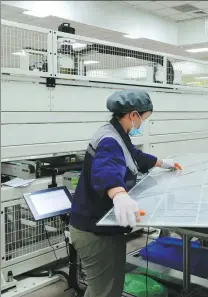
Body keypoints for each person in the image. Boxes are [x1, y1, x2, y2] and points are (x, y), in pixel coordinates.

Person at [69, 89, 182, 297]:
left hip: (100, 226)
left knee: (107, 287)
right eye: (143, 119)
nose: (142, 124)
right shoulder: (109, 140)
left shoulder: (116, 133)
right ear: (133, 115)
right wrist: (119, 194)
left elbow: (135, 155)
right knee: (105, 290)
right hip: (94, 232)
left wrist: (163, 163)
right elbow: (106, 170)